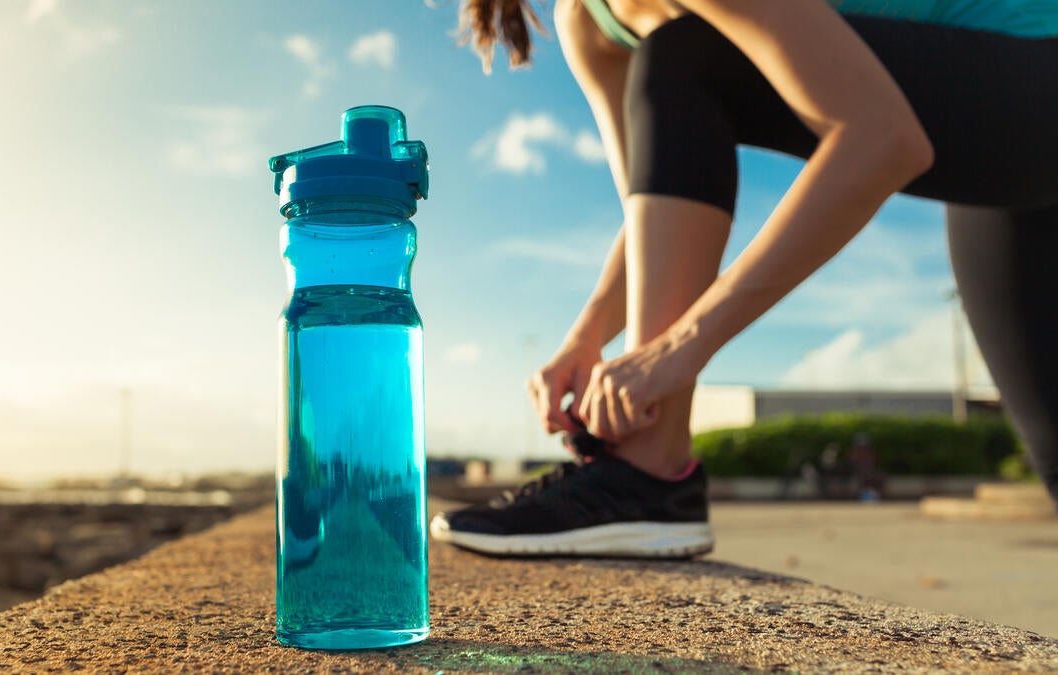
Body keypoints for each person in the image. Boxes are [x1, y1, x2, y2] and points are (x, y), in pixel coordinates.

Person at [430, 0, 1058, 557]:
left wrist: (678, 348)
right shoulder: (586, 22)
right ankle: (646, 473)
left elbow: (882, 139)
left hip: (1033, 74)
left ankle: (650, 473)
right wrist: (588, 334)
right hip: (995, 161)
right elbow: (657, 215)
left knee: (681, 54)